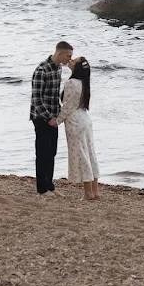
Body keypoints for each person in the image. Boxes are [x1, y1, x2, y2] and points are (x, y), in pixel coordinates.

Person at [30, 40, 73, 194]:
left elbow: (55, 96)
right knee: (42, 153)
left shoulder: (58, 69)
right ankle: (42, 189)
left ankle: (50, 185)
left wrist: (60, 115)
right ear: (59, 53)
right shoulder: (42, 70)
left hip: (54, 118)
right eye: (68, 56)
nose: (69, 59)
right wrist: (49, 118)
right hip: (41, 117)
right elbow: (36, 99)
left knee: (52, 152)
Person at [54, 56, 100, 201]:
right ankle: (95, 191)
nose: (71, 60)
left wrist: (57, 121)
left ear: (78, 67)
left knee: (81, 156)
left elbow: (68, 106)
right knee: (90, 153)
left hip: (75, 122)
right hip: (85, 119)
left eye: (74, 60)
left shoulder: (72, 83)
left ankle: (88, 193)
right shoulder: (84, 82)